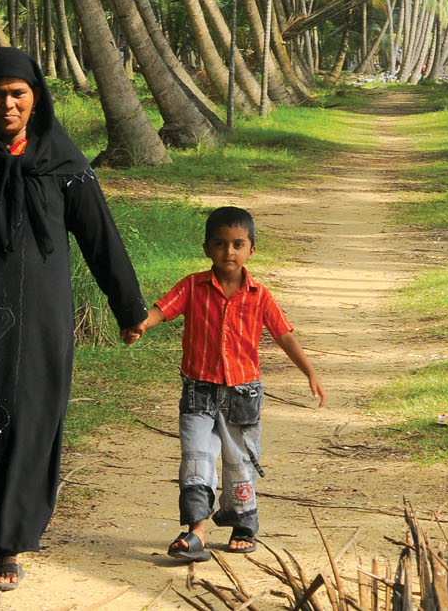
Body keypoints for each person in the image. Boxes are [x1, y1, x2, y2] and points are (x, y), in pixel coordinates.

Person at [0, 48, 150, 591]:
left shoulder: (64, 165)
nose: (8, 104)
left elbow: (100, 237)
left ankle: (7, 544)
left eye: (18, 94)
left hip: (43, 317)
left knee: (31, 420)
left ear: (36, 97)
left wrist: (128, 306)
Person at [126, 206, 326, 561]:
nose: (228, 252)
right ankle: (196, 531)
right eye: (220, 244)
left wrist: (309, 371)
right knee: (196, 458)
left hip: (242, 395)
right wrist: (141, 324)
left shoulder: (260, 295)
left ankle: (243, 526)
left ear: (252, 249)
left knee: (239, 462)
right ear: (207, 248)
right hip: (198, 391)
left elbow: (283, 334)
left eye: (237, 244)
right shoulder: (192, 286)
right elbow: (162, 310)